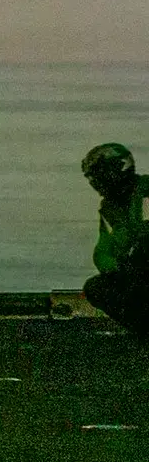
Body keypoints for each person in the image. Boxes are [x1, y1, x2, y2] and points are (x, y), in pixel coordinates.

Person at [80, 142, 149, 340]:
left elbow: (146, 232)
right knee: (96, 287)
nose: (96, 182)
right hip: (134, 272)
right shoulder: (109, 209)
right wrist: (119, 267)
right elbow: (102, 253)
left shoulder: (145, 192)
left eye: (100, 174)